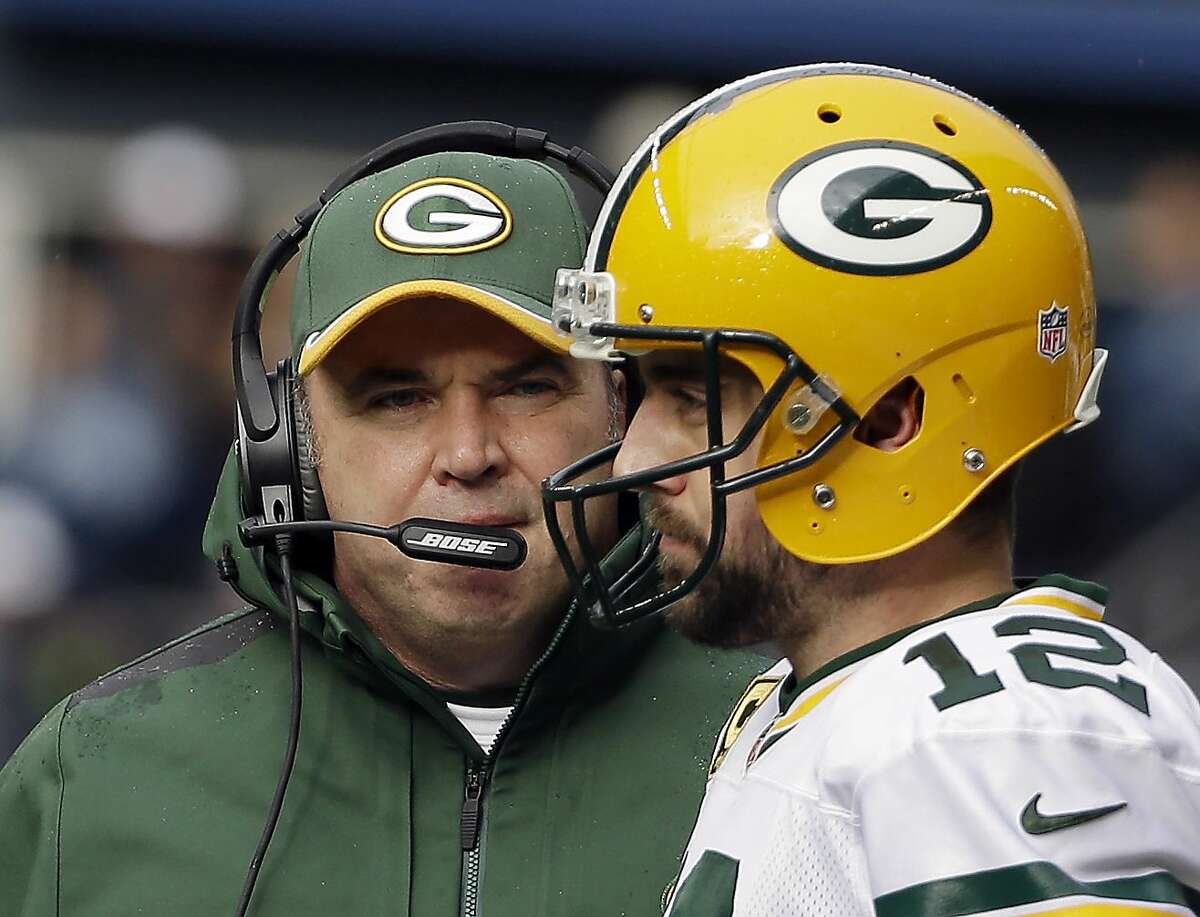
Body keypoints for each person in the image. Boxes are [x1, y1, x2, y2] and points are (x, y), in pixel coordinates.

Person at [0, 145, 764, 915]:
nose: (468, 455)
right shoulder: (91, 781)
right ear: (291, 448)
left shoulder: (796, 752)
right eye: (399, 398)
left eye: (528, 385)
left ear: (623, 411)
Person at [544, 64, 1200, 915]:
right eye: (640, 391)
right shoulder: (869, 703)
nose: (636, 457)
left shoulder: (991, 726)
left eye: (696, 397)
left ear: (891, 420)